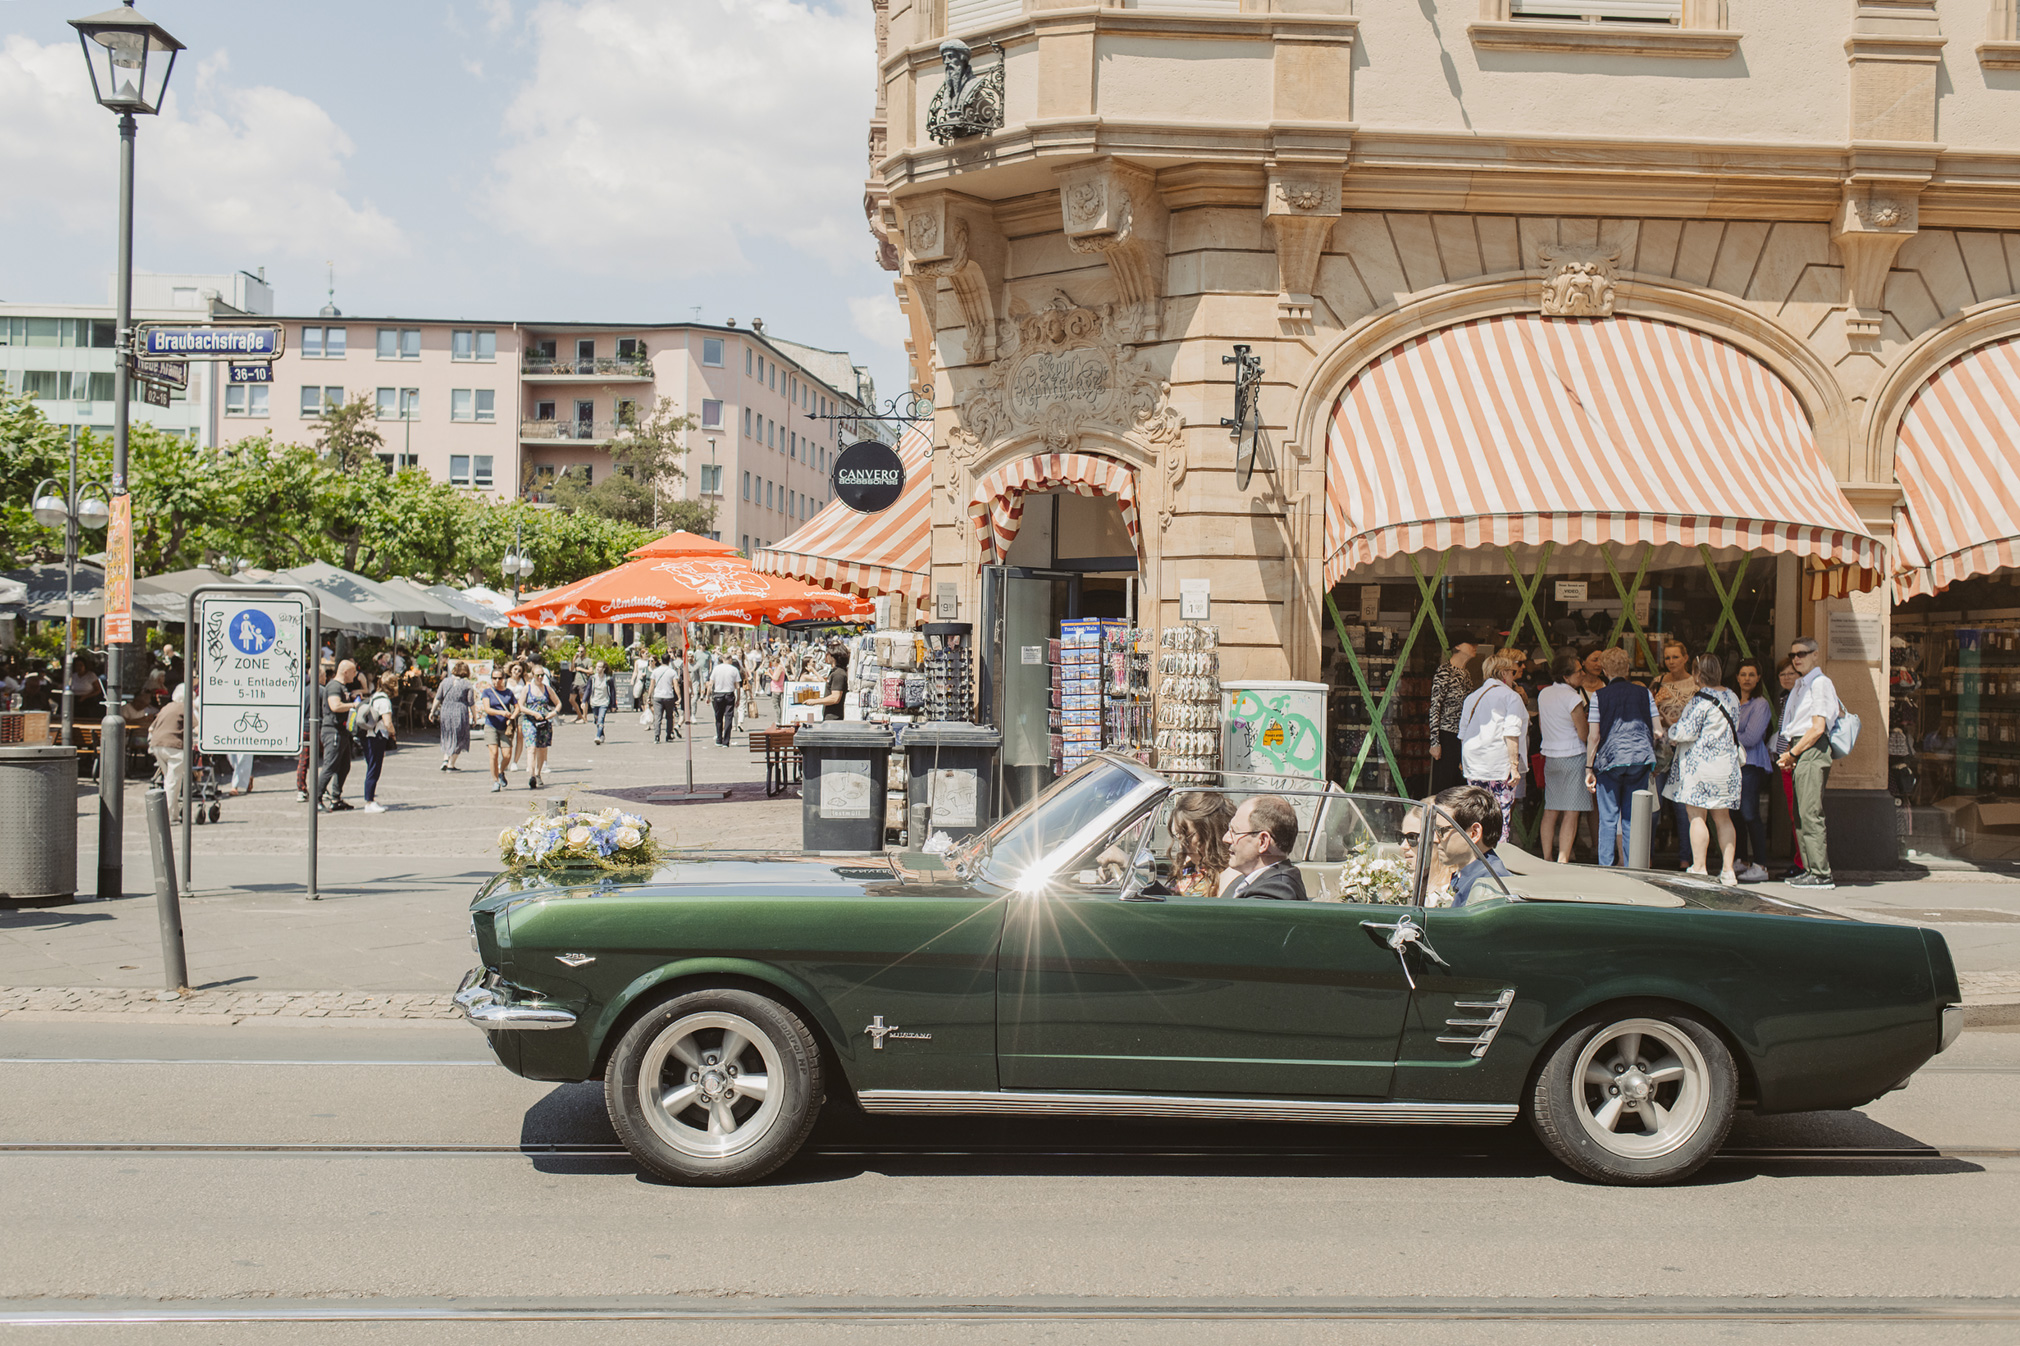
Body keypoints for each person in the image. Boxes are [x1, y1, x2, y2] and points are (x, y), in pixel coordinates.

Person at [1663, 654, 1742, 884]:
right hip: (1727, 767)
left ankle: (1699, 867)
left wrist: (1671, 729)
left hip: (1701, 767)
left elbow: (1685, 732)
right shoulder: (1732, 696)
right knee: (1724, 819)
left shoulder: (1700, 700)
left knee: (1697, 817)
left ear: (1698, 674)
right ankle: (1728, 870)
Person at [1584, 647, 1662, 867]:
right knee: (1631, 818)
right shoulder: (1644, 693)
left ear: (1605, 671)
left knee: (1608, 819)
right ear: (1627, 668)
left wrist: (1589, 768)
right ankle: (1632, 867)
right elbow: (1658, 731)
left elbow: (1594, 736)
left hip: (1610, 761)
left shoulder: (1599, 696)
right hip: (1640, 759)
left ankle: (1606, 868)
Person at [1779, 637, 1839, 890]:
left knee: (1810, 813)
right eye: (1793, 654)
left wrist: (1793, 753)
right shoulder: (1802, 684)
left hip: (1810, 748)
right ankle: (1809, 869)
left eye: (1803, 653)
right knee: (1801, 813)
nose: (1797, 658)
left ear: (1816, 654)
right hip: (1802, 746)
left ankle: (1821, 873)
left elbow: (1817, 728)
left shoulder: (1820, 683)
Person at [1458, 648, 1529, 846]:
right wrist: (1514, 766)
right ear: (1504, 672)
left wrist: (1463, 762)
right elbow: (1511, 733)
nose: (1513, 676)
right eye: (1512, 672)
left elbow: (1462, 733)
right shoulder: (1510, 697)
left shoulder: (1473, 697)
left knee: (1477, 811)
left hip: (1474, 762)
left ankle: (1475, 852)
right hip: (1498, 763)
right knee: (1500, 812)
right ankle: (1498, 857)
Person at [1536, 652, 1593, 863]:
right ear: (1566, 676)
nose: (1583, 674)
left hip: (1550, 756)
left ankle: (1547, 856)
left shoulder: (1544, 694)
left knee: (1551, 809)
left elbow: (1543, 726)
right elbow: (1583, 733)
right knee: (1571, 811)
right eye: (1579, 671)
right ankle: (1563, 859)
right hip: (1573, 756)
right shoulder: (1572, 697)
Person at [1651, 638, 1701, 870]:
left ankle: (1686, 858)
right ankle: (1647, 855)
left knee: (1684, 809)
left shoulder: (1695, 684)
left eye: (1675, 657)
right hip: (1660, 752)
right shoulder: (1658, 682)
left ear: (1686, 658)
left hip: (1685, 752)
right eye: (1667, 657)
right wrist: (1661, 720)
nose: (1671, 661)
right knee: (1653, 807)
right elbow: (1648, 710)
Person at [1431, 783, 1510, 906]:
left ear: (1474, 833)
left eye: (1441, 830)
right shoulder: (1470, 874)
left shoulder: (1489, 886)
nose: (1435, 838)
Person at [1732, 657, 1775, 883]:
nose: (1747, 678)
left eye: (1752, 674)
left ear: (1758, 678)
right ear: (1737, 677)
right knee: (1736, 813)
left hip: (1751, 764)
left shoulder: (1761, 704)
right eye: (1743, 674)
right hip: (1734, 765)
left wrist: (1726, 736)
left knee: (1750, 813)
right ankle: (1742, 859)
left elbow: (1751, 737)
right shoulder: (1734, 702)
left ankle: (1761, 864)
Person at [1220, 795, 1308, 901]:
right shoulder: (1245, 881)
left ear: (1263, 842)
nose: (1226, 838)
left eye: (1234, 832)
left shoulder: (1274, 891)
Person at [1427, 639, 1478, 793]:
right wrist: (1435, 741)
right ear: (1458, 646)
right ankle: (1438, 815)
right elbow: (1435, 705)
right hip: (1447, 734)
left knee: (1459, 783)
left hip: (1463, 735)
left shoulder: (1465, 673)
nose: (1474, 647)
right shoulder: (1445, 671)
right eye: (1471, 643)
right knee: (1444, 782)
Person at [1168, 791, 1237, 897]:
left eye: (1188, 836)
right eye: (1178, 835)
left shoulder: (1230, 876)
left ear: (1210, 834)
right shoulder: (1187, 867)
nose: (1182, 844)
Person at [1773, 655, 1805, 877]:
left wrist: (1791, 754)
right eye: (1782, 674)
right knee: (1795, 814)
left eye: (1790, 673)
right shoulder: (1786, 697)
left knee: (1800, 814)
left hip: (1795, 761)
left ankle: (1803, 864)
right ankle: (1801, 861)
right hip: (1786, 761)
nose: (1785, 677)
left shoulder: (1801, 697)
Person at [316, 659, 361, 812]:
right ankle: (317, 798)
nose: (355, 675)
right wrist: (353, 705)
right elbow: (335, 705)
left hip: (342, 732)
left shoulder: (342, 687)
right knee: (330, 765)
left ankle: (336, 798)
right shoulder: (334, 686)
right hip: (332, 731)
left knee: (344, 766)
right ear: (345, 672)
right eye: (354, 672)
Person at [359, 671, 399, 814]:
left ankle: (370, 800)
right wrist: (393, 734)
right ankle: (369, 802)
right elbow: (387, 723)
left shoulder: (375, 696)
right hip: (378, 736)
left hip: (369, 735)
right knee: (374, 769)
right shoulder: (385, 701)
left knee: (372, 767)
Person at [149, 685, 187, 825]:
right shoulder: (184, 708)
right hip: (174, 747)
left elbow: (151, 727)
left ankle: (174, 814)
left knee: (169, 781)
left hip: (157, 745)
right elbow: (196, 726)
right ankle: (168, 816)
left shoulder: (166, 707)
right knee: (172, 782)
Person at [479, 667, 518, 792]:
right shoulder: (487, 692)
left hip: (505, 728)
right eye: (494, 678)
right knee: (494, 754)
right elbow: (487, 709)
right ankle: (495, 781)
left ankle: (501, 771)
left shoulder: (508, 693)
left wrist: (512, 716)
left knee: (507, 755)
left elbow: (517, 707)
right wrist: (501, 713)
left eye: (499, 678)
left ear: (504, 679)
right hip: (491, 726)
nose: (497, 681)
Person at [431, 661, 474, 771]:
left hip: (446, 710)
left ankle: (445, 759)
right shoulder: (467, 684)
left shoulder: (445, 682)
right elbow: (471, 702)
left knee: (447, 735)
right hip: (459, 710)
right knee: (459, 736)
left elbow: (438, 697)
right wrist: (474, 716)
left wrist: (432, 711)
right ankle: (451, 764)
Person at [521, 664, 557, 789]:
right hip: (530, 721)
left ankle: (538, 773)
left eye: (542, 675)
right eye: (538, 675)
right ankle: (531, 775)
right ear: (532, 675)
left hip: (544, 722)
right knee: (531, 748)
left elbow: (558, 704)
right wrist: (533, 713)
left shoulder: (547, 689)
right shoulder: (527, 688)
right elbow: (520, 706)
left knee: (542, 748)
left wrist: (553, 713)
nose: (540, 677)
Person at [708, 652, 743, 747]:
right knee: (728, 717)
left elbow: (710, 684)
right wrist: (738, 698)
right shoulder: (734, 669)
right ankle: (726, 741)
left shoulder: (716, 669)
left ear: (722, 659)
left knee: (718, 717)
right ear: (730, 659)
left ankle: (719, 739)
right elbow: (738, 686)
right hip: (729, 694)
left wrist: (707, 696)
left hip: (718, 695)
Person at [812, 644, 850, 720]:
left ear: (833, 657)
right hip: (830, 717)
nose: (826, 656)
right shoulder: (835, 672)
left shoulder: (838, 674)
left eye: (828, 654)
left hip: (834, 719)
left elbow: (835, 698)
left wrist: (815, 701)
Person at [650, 653, 681, 743]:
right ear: (669, 661)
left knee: (658, 717)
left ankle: (657, 736)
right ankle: (668, 735)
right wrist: (679, 697)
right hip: (668, 696)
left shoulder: (655, 671)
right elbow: (676, 685)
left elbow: (652, 684)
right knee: (669, 717)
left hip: (657, 696)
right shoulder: (672, 672)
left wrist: (649, 696)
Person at [587, 659, 616, 745]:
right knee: (597, 720)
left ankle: (598, 736)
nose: (598, 668)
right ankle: (602, 734)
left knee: (601, 719)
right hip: (594, 701)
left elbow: (613, 692)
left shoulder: (608, 679)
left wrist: (613, 704)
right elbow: (588, 689)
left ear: (604, 668)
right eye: (597, 667)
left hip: (604, 702)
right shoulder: (592, 678)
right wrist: (584, 701)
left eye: (600, 667)